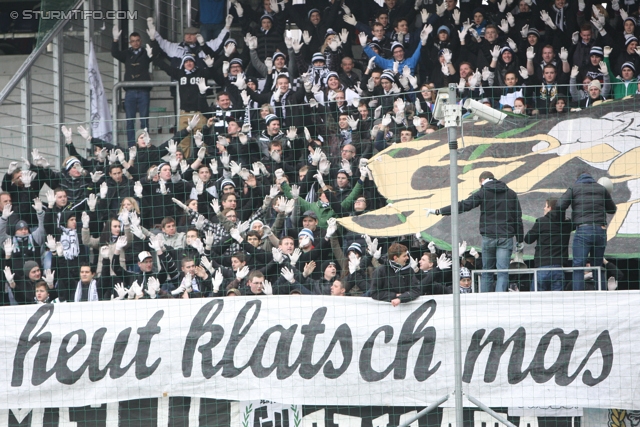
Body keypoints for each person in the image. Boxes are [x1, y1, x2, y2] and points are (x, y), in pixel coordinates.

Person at [427, 171, 525, 292]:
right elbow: (517, 218)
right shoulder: (511, 194)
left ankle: (484, 300)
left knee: (487, 271)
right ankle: (500, 299)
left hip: (488, 237)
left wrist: (439, 211)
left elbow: (464, 205)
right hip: (506, 237)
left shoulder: (483, 192)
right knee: (502, 272)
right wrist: (520, 240)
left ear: (482, 180)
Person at [558, 172, 617, 291]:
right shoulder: (601, 189)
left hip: (583, 229)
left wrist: (563, 220)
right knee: (597, 265)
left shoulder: (574, 188)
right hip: (601, 230)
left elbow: (560, 205)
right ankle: (601, 293)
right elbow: (612, 209)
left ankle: (578, 295)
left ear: (578, 178)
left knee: (579, 265)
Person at [111, 29, 152, 147]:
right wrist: (115, 40)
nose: (135, 43)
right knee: (130, 121)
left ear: (141, 41)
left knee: (144, 120)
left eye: (137, 41)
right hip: (130, 91)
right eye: (133, 41)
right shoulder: (127, 53)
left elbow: (155, 56)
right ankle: (131, 146)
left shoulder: (145, 52)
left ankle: (145, 144)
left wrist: (153, 41)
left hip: (144, 90)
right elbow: (115, 53)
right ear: (130, 42)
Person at [523, 198, 574, 291]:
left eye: (545, 206)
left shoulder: (541, 222)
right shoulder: (567, 224)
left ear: (550, 208)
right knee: (557, 302)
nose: (544, 208)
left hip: (542, 267)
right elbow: (576, 221)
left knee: (537, 301)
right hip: (559, 268)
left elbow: (528, 239)